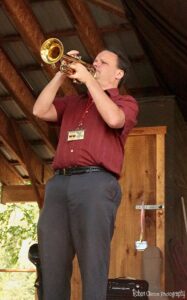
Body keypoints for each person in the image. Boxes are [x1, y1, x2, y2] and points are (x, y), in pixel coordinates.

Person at [33, 48, 139, 300]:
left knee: (93, 261)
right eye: (95, 60)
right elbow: (39, 110)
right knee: (52, 262)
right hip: (59, 184)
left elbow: (114, 120)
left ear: (118, 73)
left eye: (103, 62)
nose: (95, 63)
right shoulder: (74, 102)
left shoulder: (126, 102)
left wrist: (90, 80)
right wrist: (61, 74)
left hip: (95, 183)